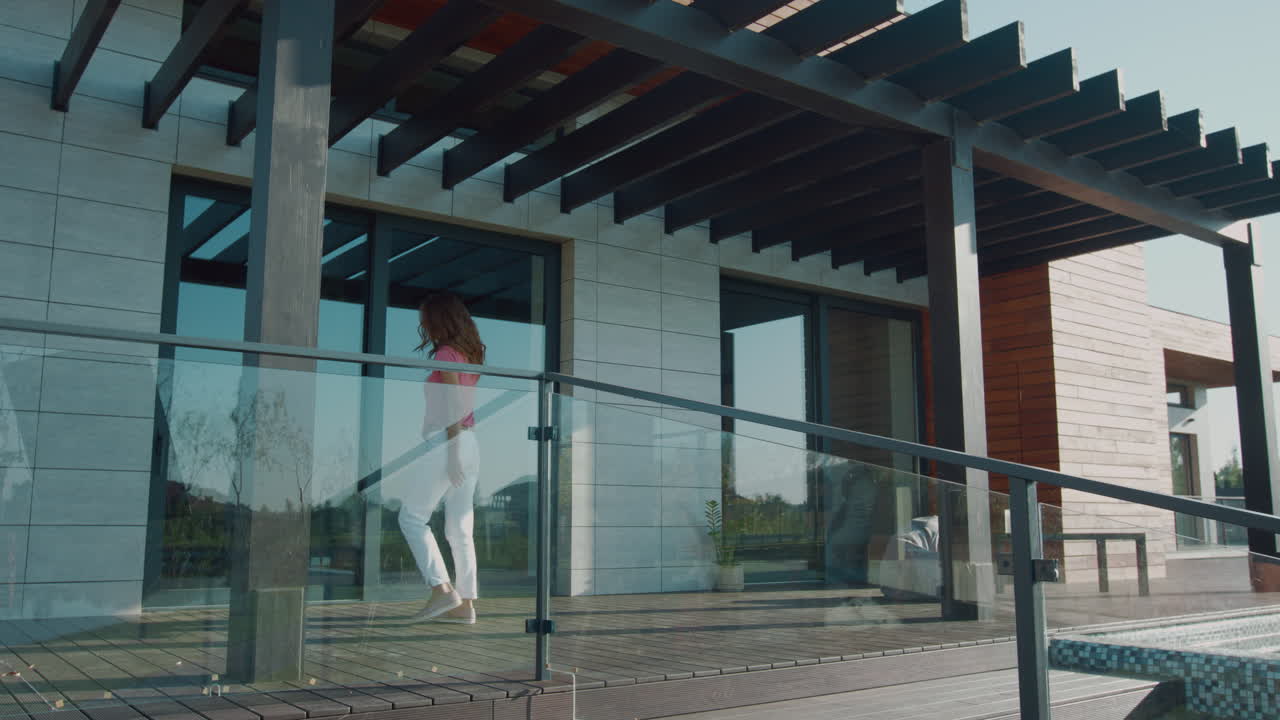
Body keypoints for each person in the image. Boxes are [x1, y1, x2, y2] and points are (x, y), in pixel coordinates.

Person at [398, 292, 484, 624]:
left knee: (411, 518)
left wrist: (450, 454)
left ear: (439, 320)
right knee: (460, 528)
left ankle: (441, 589)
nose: (423, 327)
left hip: (450, 440)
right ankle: (465, 606)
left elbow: (452, 405)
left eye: (425, 320)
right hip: (471, 441)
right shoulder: (470, 355)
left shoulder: (446, 354)